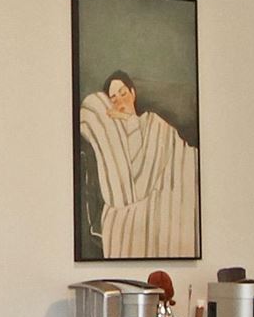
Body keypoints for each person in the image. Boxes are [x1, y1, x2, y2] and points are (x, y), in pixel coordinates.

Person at [77, 70, 199, 257]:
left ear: (133, 93)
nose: (119, 100)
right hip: (136, 198)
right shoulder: (114, 134)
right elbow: (131, 185)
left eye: (123, 93)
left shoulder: (152, 121)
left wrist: (130, 119)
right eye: (113, 98)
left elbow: (168, 150)